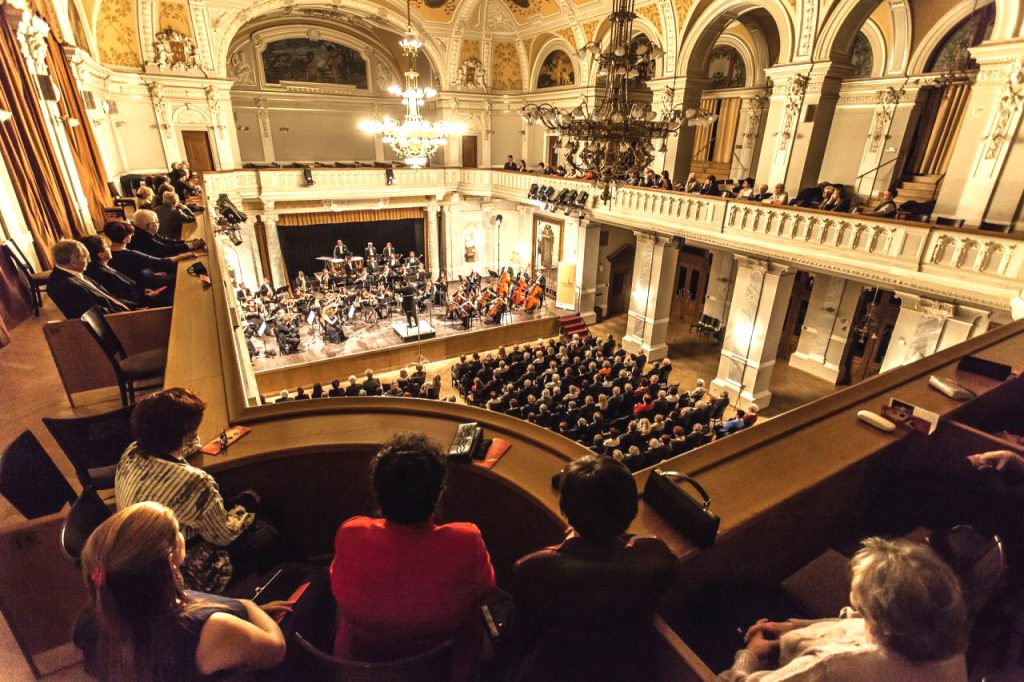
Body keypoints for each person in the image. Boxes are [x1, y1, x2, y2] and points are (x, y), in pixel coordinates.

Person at [330, 433, 495, 681]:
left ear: (378, 493)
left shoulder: (351, 533)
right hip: (445, 664)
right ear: (439, 494)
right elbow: (485, 589)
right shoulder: (466, 540)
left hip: (364, 663)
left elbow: (337, 582)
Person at [73, 502, 289, 681]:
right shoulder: (207, 629)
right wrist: (249, 607)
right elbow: (276, 650)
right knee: (303, 576)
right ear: (170, 559)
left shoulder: (96, 618)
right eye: (178, 531)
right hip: (264, 660)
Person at [513, 456, 677, 681]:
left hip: (559, 668)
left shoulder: (533, 568)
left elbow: (518, 638)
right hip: (628, 667)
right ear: (631, 512)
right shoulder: (656, 556)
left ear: (566, 512)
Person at [718, 537, 967, 681]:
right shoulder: (945, 644)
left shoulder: (830, 666)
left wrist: (749, 654)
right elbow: (857, 625)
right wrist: (794, 627)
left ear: (880, 616)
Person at [115, 388, 286, 593]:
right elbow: (224, 535)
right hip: (181, 575)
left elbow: (180, 449)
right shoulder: (194, 482)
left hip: (141, 561)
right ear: (186, 433)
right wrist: (247, 502)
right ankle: (274, 587)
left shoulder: (132, 451)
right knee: (267, 528)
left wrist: (187, 437)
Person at [46, 239, 132, 318]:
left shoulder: (72, 271)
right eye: (85, 257)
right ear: (73, 262)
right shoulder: (65, 285)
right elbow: (98, 315)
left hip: (122, 312)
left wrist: (135, 307)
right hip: (117, 322)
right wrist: (133, 313)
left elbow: (109, 298)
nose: (89, 261)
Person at [81, 236, 171, 308]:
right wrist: (147, 297)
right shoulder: (100, 274)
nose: (110, 247)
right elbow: (122, 299)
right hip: (140, 307)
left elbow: (128, 287)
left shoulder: (106, 266)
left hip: (142, 297)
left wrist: (143, 291)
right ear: (101, 255)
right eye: (107, 247)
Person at [104, 221, 177, 289]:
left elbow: (130, 273)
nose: (132, 235)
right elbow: (161, 262)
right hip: (143, 287)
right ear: (125, 238)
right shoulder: (130, 254)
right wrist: (185, 255)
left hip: (139, 282)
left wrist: (152, 274)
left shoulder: (110, 254)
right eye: (130, 234)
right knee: (176, 277)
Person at [129, 209, 203, 259]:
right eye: (156, 221)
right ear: (150, 225)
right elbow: (166, 249)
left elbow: (164, 240)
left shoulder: (144, 231)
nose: (158, 223)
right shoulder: (143, 238)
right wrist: (191, 245)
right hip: (156, 267)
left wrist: (186, 242)